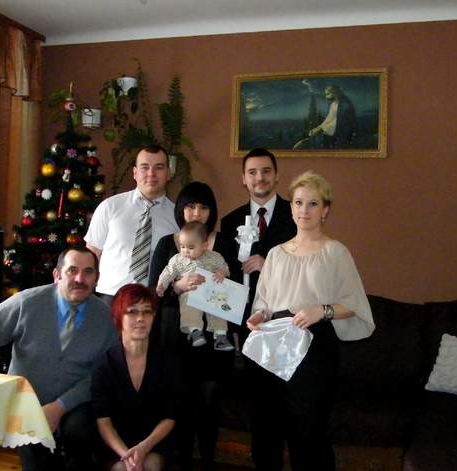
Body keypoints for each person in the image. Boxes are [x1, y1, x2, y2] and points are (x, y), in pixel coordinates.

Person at [246, 171, 375, 471]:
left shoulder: (336, 252)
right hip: (272, 347)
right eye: (299, 202)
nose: (304, 210)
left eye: (313, 204)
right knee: (266, 428)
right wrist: (260, 315)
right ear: (291, 207)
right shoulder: (275, 254)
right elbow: (264, 302)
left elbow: (354, 304)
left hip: (315, 349)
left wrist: (322, 311)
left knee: (308, 431)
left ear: (325, 210)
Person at [0, 246, 118, 471]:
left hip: (76, 405)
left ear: (96, 278)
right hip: (27, 402)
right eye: (72, 271)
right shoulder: (27, 303)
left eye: (88, 272)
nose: (80, 279)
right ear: (57, 275)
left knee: (81, 435)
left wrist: (60, 406)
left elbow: (101, 373)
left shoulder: (106, 318)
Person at [149, 181, 232, 471]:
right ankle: (180, 461)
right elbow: (154, 291)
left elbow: (235, 290)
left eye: (204, 207)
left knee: (209, 405)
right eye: (190, 206)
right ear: (181, 210)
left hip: (215, 338)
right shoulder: (168, 244)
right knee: (178, 404)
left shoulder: (224, 244)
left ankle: (207, 461)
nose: (196, 213)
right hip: (177, 335)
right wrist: (177, 286)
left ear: (212, 211)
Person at [91, 284, 181, 471]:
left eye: (147, 312)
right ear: (118, 318)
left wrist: (143, 447)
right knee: (121, 469)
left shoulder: (167, 361)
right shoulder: (104, 364)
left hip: (155, 441)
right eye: (132, 312)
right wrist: (127, 455)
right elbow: (103, 421)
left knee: (151, 464)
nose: (140, 318)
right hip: (116, 443)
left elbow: (170, 416)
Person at [220, 147, 296, 345]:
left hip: (287, 317)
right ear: (243, 179)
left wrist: (269, 266)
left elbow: (304, 268)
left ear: (276, 175)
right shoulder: (229, 221)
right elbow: (228, 273)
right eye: (252, 172)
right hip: (244, 321)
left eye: (266, 171)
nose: (260, 177)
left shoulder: (297, 215)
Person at [84, 145, 179, 303]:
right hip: (110, 298)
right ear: (135, 173)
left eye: (159, 167)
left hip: (154, 301)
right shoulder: (110, 207)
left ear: (168, 173)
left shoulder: (177, 216)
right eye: (144, 167)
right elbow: (92, 253)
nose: (151, 173)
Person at [156, 221, 232, 351]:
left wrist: (221, 272)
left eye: (190, 248)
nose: (185, 251)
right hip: (190, 290)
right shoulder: (178, 259)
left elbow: (224, 267)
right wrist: (161, 285)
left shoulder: (214, 257)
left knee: (219, 304)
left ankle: (221, 335)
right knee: (188, 302)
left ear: (204, 245)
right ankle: (195, 331)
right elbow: (168, 272)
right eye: (182, 246)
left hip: (211, 292)